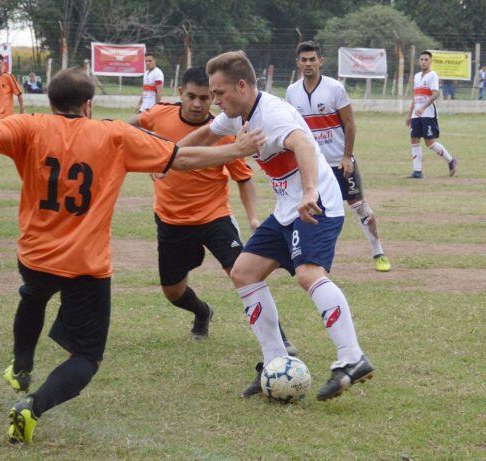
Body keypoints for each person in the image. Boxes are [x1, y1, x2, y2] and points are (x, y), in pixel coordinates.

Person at [0, 68, 267, 444]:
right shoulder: (113, 135)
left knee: (32, 295)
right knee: (86, 356)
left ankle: (21, 364)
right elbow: (179, 158)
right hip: (86, 265)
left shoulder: (28, 126)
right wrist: (237, 148)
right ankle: (33, 406)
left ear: (50, 101)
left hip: (34, 255)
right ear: (88, 105)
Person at [179, 50, 375, 401]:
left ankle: (352, 358)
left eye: (220, 93)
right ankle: (275, 360)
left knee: (308, 274)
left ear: (241, 86)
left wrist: (311, 190)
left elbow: (301, 143)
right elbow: (206, 135)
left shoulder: (274, 113)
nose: (215, 100)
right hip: (287, 210)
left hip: (317, 206)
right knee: (243, 273)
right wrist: (166, 154)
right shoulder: (236, 116)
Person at [129, 66, 297, 353]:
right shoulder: (159, 115)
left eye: (205, 98)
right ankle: (202, 312)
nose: (197, 104)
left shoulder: (225, 130)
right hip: (171, 219)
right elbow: (131, 125)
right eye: (191, 96)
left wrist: (253, 216)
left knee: (243, 273)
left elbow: (243, 179)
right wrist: (138, 148)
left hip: (214, 216)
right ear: (180, 93)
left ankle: (280, 340)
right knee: (173, 291)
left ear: (212, 98)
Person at [286, 41, 391, 272]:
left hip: (339, 162)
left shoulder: (334, 88)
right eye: (303, 60)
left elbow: (350, 124)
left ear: (320, 61)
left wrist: (347, 156)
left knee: (359, 206)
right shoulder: (291, 92)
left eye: (312, 59)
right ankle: (307, 257)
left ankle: (378, 252)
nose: (308, 64)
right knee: (308, 209)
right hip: (313, 166)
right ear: (298, 63)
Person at [406, 50, 457, 179]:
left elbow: (435, 94)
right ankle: (417, 171)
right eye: (421, 59)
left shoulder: (433, 75)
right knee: (414, 140)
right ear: (419, 61)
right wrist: (409, 114)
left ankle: (451, 160)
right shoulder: (417, 76)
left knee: (430, 143)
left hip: (428, 114)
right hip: (416, 115)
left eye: (426, 59)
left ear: (430, 61)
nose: (423, 62)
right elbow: (415, 96)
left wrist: (423, 107)